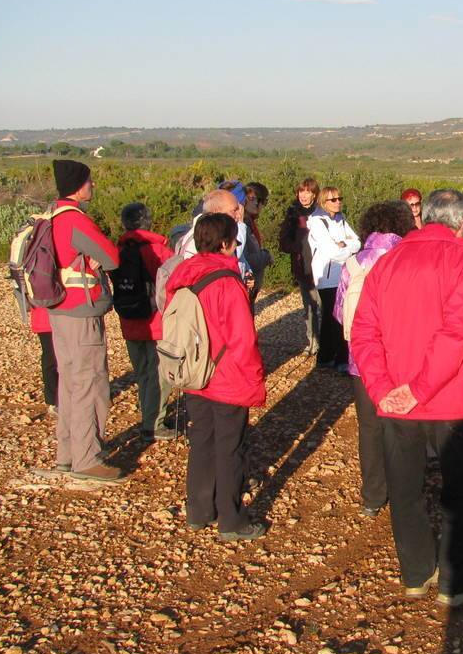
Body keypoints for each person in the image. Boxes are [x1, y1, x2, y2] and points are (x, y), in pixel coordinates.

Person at [349, 189, 463, 607]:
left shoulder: (387, 263)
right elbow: (457, 333)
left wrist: (383, 389)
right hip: (450, 399)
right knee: (460, 493)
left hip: (396, 400)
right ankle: (456, 582)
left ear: (422, 218)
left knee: (406, 491)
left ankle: (415, 572)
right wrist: (418, 389)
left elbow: (363, 333)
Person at [165, 213, 267, 541]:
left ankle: (199, 511)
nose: (236, 246)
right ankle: (231, 520)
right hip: (226, 377)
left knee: (202, 441)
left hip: (194, 373)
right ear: (225, 243)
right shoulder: (226, 281)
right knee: (230, 448)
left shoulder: (182, 274)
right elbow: (242, 340)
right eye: (235, 241)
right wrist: (254, 381)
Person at [333, 200, 416, 518]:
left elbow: (341, 312)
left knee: (369, 428)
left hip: (361, 360)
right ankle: (405, 489)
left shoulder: (354, 263)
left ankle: (372, 495)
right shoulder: (406, 258)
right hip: (400, 356)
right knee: (402, 426)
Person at [48, 159, 121, 480]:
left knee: (69, 382)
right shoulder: (74, 220)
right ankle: (87, 458)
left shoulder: (50, 216)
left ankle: (67, 454)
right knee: (90, 382)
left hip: (58, 309)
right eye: (89, 181)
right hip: (81, 310)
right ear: (79, 186)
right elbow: (112, 257)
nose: (93, 186)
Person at [115, 202, 174, 441]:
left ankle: (149, 417)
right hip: (155, 321)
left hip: (128, 319)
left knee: (142, 373)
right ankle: (153, 424)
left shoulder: (117, 249)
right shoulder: (159, 251)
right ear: (148, 221)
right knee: (159, 374)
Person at [308, 186, 361, 371]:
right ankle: (334, 358)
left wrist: (343, 245)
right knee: (333, 317)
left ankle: (331, 357)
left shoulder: (342, 219)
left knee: (338, 316)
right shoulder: (317, 222)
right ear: (324, 201)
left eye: (340, 198)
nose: (338, 202)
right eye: (333, 199)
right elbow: (332, 252)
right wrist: (346, 248)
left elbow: (357, 241)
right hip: (327, 278)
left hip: (343, 276)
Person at [278, 178, 321, 357]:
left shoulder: (322, 212)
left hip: (323, 268)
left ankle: (327, 344)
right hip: (303, 266)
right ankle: (312, 341)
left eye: (307, 191)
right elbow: (284, 240)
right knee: (309, 307)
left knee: (324, 305)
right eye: (301, 191)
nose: (303, 195)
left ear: (314, 194)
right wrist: (297, 248)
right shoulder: (293, 213)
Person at [243, 182, 272, 306]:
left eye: (261, 201)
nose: (257, 203)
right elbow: (248, 259)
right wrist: (266, 256)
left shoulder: (249, 222)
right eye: (252, 199)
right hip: (247, 287)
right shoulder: (243, 226)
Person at [32, 307, 59, 419]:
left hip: (63, 317)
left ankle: (58, 399)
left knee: (53, 359)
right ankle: (53, 400)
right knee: (51, 358)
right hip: (46, 318)